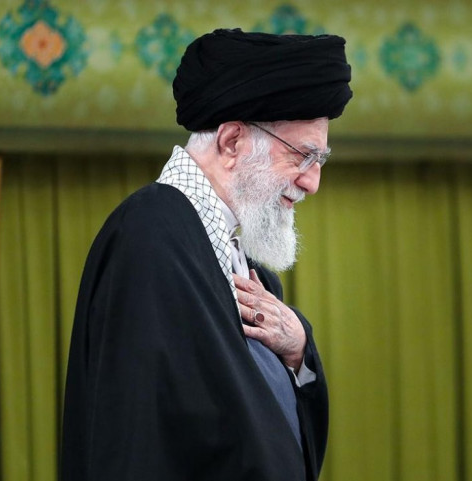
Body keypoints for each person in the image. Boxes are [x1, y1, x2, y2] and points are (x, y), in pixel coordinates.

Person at [61, 28, 352, 481]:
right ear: (232, 142)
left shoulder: (249, 270)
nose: (312, 182)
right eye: (302, 156)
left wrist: (299, 352)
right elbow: (139, 439)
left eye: (320, 161)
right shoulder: (150, 234)